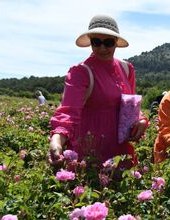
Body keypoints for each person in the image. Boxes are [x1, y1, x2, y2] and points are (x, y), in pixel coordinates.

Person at [48, 15, 148, 167]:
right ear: (90, 42)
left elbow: (130, 106)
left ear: (115, 43)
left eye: (108, 43)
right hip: (91, 149)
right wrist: (57, 139)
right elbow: (68, 111)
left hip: (121, 149)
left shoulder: (127, 69)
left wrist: (140, 120)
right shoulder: (81, 72)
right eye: (96, 42)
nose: (102, 48)